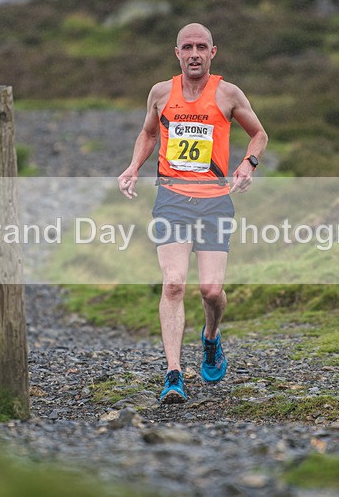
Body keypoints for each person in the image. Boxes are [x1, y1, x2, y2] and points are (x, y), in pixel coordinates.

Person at [117, 22, 268, 404]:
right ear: (177, 53)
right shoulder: (161, 93)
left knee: (211, 291)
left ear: (212, 53)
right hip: (171, 200)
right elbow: (149, 133)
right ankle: (173, 374)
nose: (195, 53)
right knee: (173, 284)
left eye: (202, 47)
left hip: (214, 201)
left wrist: (248, 164)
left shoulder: (228, 93)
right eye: (188, 47)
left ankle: (211, 338)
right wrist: (133, 167)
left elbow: (259, 134)